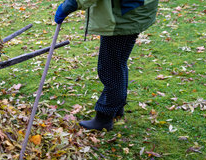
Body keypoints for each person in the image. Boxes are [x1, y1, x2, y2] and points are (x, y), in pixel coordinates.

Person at [55, 0, 159, 131]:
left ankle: (105, 116)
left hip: (123, 15)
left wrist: (70, 4)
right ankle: (116, 106)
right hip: (129, 9)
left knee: (110, 68)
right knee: (117, 62)